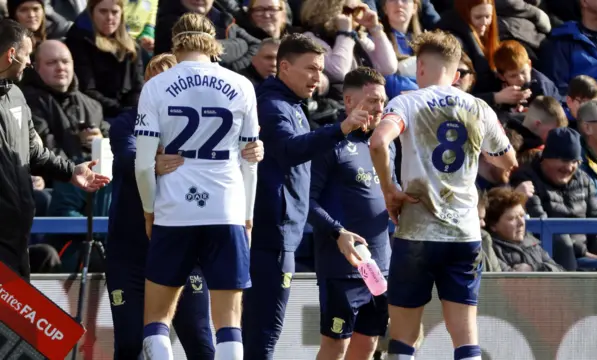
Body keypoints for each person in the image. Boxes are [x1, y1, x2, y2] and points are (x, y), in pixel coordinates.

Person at [369, 29, 517, 360]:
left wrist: (389, 190)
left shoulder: (407, 102)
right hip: (464, 233)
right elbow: (508, 160)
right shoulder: (478, 107)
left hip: (417, 232)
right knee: (465, 340)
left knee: (403, 340)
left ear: (420, 66)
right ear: (456, 71)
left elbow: (378, 142)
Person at [108, 53, 264, 359]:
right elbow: (129, 155)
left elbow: (239, 145)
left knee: (198, 338)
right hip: (132, 250)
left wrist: (254, 148)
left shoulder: (202, 122)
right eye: (158, 78)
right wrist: (152, 160)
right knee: (129, 342)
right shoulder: (127, 122)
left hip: (181, 241)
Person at [242, 33, 369, 360]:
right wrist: (340, 129)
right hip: (270, 237)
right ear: (284, 67)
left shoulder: (292, 106)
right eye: (311, 68)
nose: (318, 77)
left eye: (321, 69)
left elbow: (300, 184)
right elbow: (288, 150)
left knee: (259, 334)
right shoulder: (273, 107)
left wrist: (333, 229)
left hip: (282, 235)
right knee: (262, 336)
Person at [0, 18, 109, 281]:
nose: (28, 63)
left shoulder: (16, 96)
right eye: (27, 55)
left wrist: (72, 172)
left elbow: (35, 151)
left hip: (16, 236)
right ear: (12, 54)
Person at [308, 67, 393, 360]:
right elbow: (304, 201)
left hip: (380, 267)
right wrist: (337, 232)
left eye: (382, 101)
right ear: (348, 101)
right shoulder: (329, 143)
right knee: (335, 347)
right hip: (342, 268)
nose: (379, 108)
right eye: (371, 101)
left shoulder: (384, 145)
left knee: (367, 347)